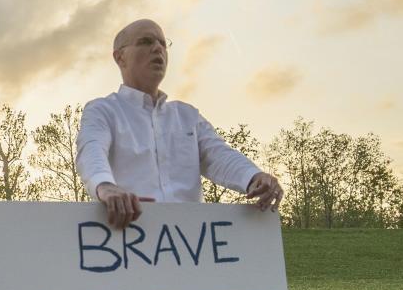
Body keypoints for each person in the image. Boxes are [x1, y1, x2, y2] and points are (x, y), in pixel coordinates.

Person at [76, 18, 283, 229]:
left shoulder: (188, 116)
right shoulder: (102, 110)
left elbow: (218, 155)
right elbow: (91, 149)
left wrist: (254, 177)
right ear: (120, 57)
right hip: (128, 239)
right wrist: (105, 186)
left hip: (190, 244)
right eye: (146, 42)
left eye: (163, 44)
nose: (157, 48)